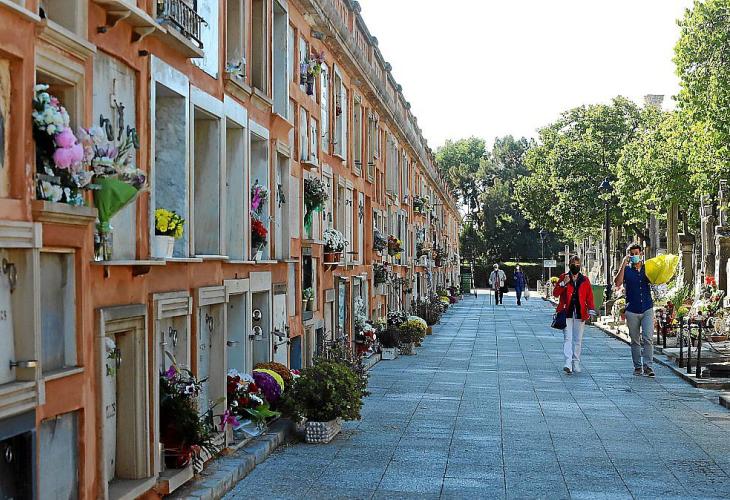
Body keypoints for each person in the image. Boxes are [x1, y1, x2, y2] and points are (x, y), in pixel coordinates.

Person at [614, 244, 655, 377]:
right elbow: (618, 283)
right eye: (632, 254)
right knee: (635, 340)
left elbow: (656, 280)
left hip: (647, 307)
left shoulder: (647, 269)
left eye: (636, 253)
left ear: (641, 254)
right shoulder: (627, 270)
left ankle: (648, 366)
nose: (634, 256)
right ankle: (638, 367)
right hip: (632, 309)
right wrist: (623, 263)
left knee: (648, 338)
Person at [553, 256, 596, 374]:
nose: (575, 266)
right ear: (569, 265)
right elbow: (555, 293)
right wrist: (563, 283)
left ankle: (576, 362)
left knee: (578, 339)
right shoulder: (564, 277)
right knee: (567, 338)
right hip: (566, 312)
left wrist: (591, 310)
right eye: (573, 264)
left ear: (580, 265)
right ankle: (568, 363)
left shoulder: (584, 280)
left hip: (580, 313)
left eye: (577, 264)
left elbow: (589, 296)